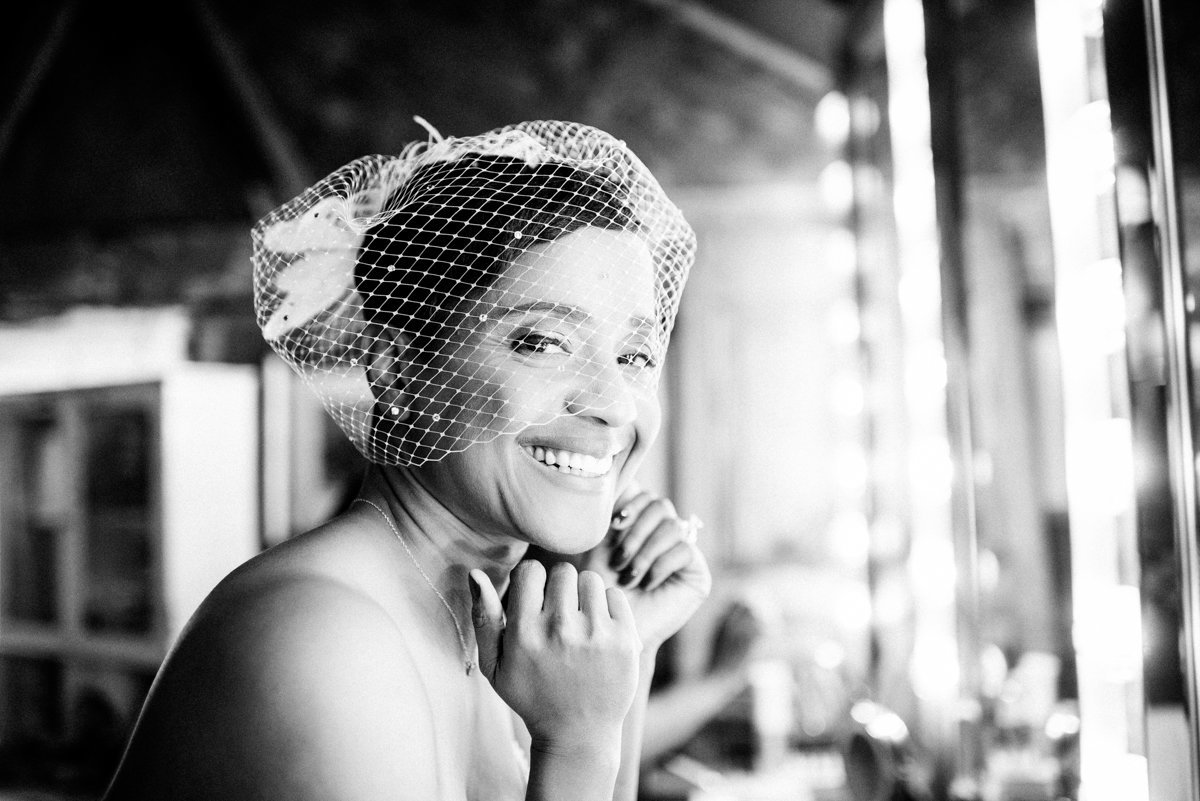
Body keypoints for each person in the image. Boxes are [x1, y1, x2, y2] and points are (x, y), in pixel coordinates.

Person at [102, 119, 710, 801]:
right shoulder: (326, 641)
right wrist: (577, 746)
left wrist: (629, 651)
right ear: (397, 373)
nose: (616, 405)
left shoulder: (484, 622)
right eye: (543, 342)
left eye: (634, 357)